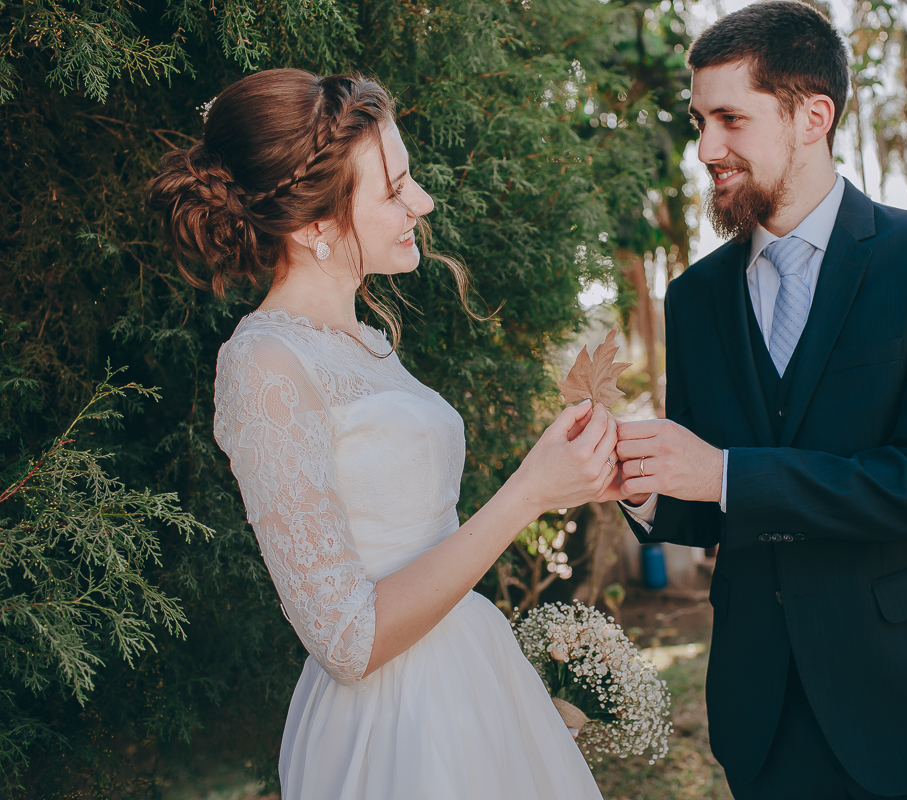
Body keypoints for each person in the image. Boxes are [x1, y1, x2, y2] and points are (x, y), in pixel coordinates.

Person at [147, 68, 611, 800]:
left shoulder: (366, 342)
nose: (421, 202)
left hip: (467, 675)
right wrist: (529, 495)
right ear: (314, 226)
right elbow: (346, 640)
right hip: (395, 726)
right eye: (394, 190)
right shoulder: (264, 363)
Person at [610, 2, 907, 798]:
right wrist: (645, 486)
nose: (706, 149)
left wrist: (727, 473)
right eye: (700, 122)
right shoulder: (694, 299)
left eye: (731, 119)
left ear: (813, 116)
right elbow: (708, 510)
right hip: (767, 723)